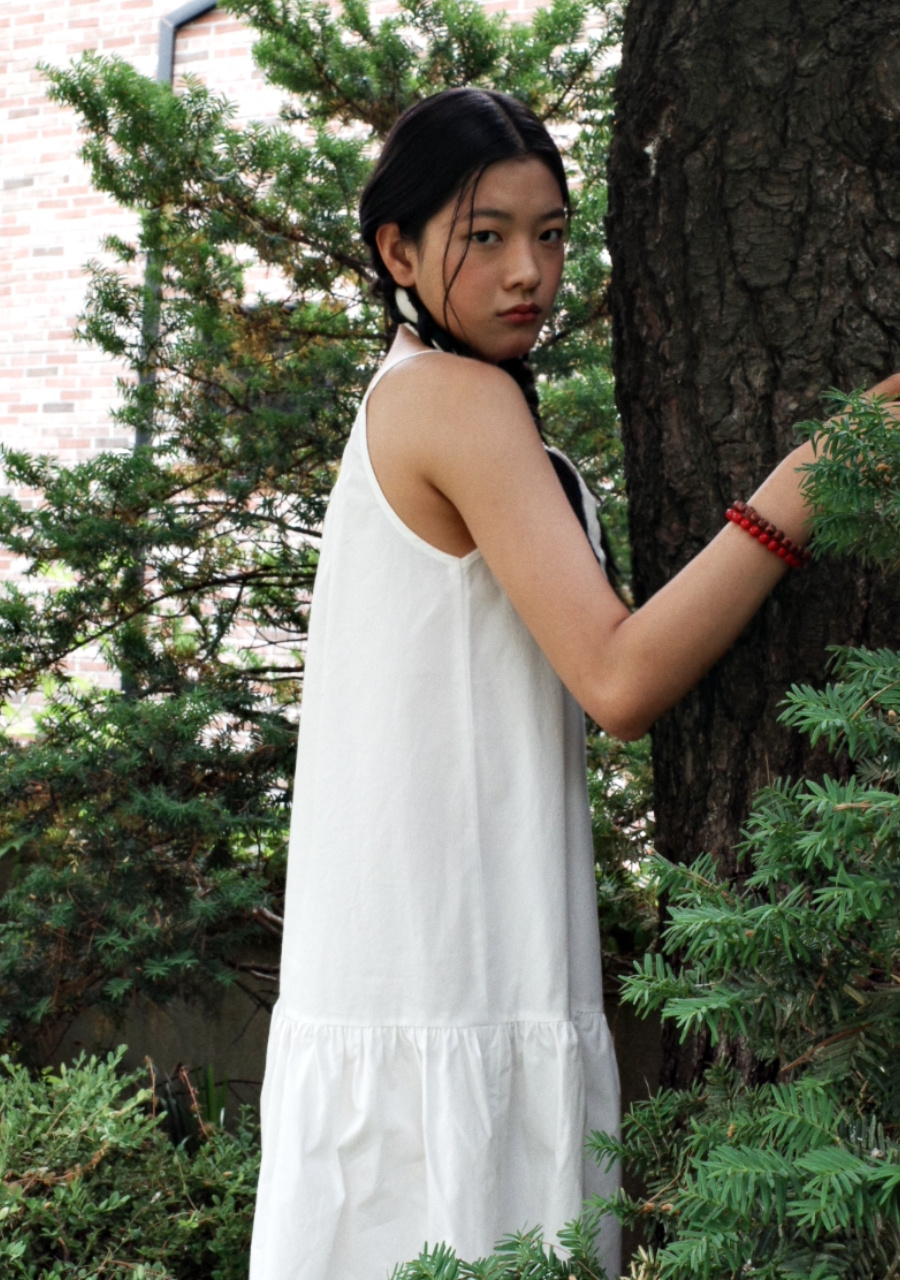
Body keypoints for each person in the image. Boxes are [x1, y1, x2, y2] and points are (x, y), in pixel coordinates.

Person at [248, 88, 900, 1280]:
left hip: (423, 970)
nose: (529, 271)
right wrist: (817, 471)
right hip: (454, 975)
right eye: (486, 235)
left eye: (549, 234)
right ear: (398, 251)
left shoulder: (413, 392)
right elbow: (617, 674)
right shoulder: (455, 399)